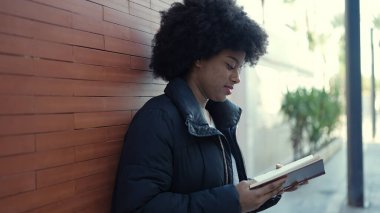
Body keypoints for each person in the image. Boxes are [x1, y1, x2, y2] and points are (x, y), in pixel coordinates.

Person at [112, 0, 300, 212]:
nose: (237, 78)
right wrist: (233, 201)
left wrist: (269, 191)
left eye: (240, 67)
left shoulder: (220, 119)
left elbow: (225, 195)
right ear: (199, 56)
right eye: (230, 65)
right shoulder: (156, 120)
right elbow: (137, 208)